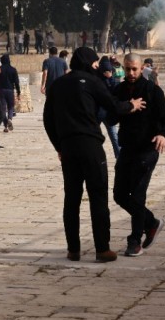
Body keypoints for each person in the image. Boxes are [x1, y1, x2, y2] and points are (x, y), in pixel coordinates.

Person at [44, 47, 145, 262]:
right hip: (90, 145)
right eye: (96, 64)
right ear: (91, 63)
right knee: (98, 196)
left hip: (68, 147)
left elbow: (48, 120)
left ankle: (73, 249)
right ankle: (102, 249)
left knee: (71, 199)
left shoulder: (58, 84)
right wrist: (132, 105)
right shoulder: (92, 81)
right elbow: (113, 106)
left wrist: (58, 147)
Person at [112, 54, 165, 256]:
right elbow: (111, 116)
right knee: (120, 195)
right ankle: (151, 222)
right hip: (127, 148)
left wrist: (163, 135)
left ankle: (134, 240)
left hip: (148, 149)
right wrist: (128, 107)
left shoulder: (152, 91)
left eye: (134, 69)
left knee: (137, 196)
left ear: (141, 69)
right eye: (127, 69)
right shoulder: (119, 90)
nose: (130, 73)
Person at [0, 53, 20, 133]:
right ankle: (10, 118)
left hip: (1, 90)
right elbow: (16, 82)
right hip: (10, 90)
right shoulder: (13, 70)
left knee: (3, 108)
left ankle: (6, 126)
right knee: (10, 107)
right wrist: (18, 92)